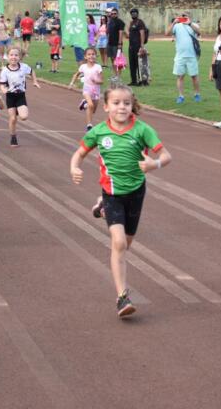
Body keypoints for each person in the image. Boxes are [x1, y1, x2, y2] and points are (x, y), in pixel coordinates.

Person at [69, 83, 172, 318]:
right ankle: (122, 297)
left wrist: (153, 164)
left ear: (132, 105)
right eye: (116, 103)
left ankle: (101, 207)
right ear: (105, 107)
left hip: (136, 191)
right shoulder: (98, 132)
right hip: (112, 193)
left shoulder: (143, 130)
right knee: (119, 244)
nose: (122, 107)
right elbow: (79, 153)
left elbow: (166, 156)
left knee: (127, 243)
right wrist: (74, 167)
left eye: (126, 103)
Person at [0, 46, 40, 147]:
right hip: (10, 96)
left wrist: (35, 81)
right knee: (13, 119)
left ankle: (19, 109)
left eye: (16, 55)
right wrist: (3, 89)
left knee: (24, 117)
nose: (14, 57)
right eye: (11, 55)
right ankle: (13, 137)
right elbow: (2, 84)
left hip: (20, 95)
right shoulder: (5, 70)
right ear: (7, 57)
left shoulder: (24, 67)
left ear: (20, 57)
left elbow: (32, 71)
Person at [166, 11, 201, 104]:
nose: (183, 17)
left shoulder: (193, 25)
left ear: (190, 16)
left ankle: (197, 94)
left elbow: (199, 32)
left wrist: (189, 23)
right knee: (180, 76)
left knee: (194, 76)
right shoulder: (177, 26)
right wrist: (174, 22)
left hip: (191, 55)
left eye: (185, 16)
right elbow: (167, 33)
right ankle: (181, 96)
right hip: (180, 55)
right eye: (182, 16)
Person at [69, 47, 104, 131]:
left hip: (96, 90)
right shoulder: (83, 67)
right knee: (90, 105)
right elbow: (76, 75)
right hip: (87, 90)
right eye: (89, 54)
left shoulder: (98, 67)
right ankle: (89, 125)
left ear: (96, 56)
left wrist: (96, 81)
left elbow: (101, 81)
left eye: (93, 54)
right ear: (85, 57)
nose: (91, 56)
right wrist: (71, 83)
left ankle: (84, 104)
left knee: (93, 110)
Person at [126, 9, 149, 87]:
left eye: (135, 13)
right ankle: (133, 81)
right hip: (131, 46)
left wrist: (142, 45)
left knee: (139, 64)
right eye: (132, 13)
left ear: (137, 14)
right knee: (132, 64)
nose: (133, 15)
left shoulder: (140, 22)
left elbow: (142, 33)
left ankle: (141, 80)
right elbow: (128, 35)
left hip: (138, 46)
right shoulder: (131, 22)